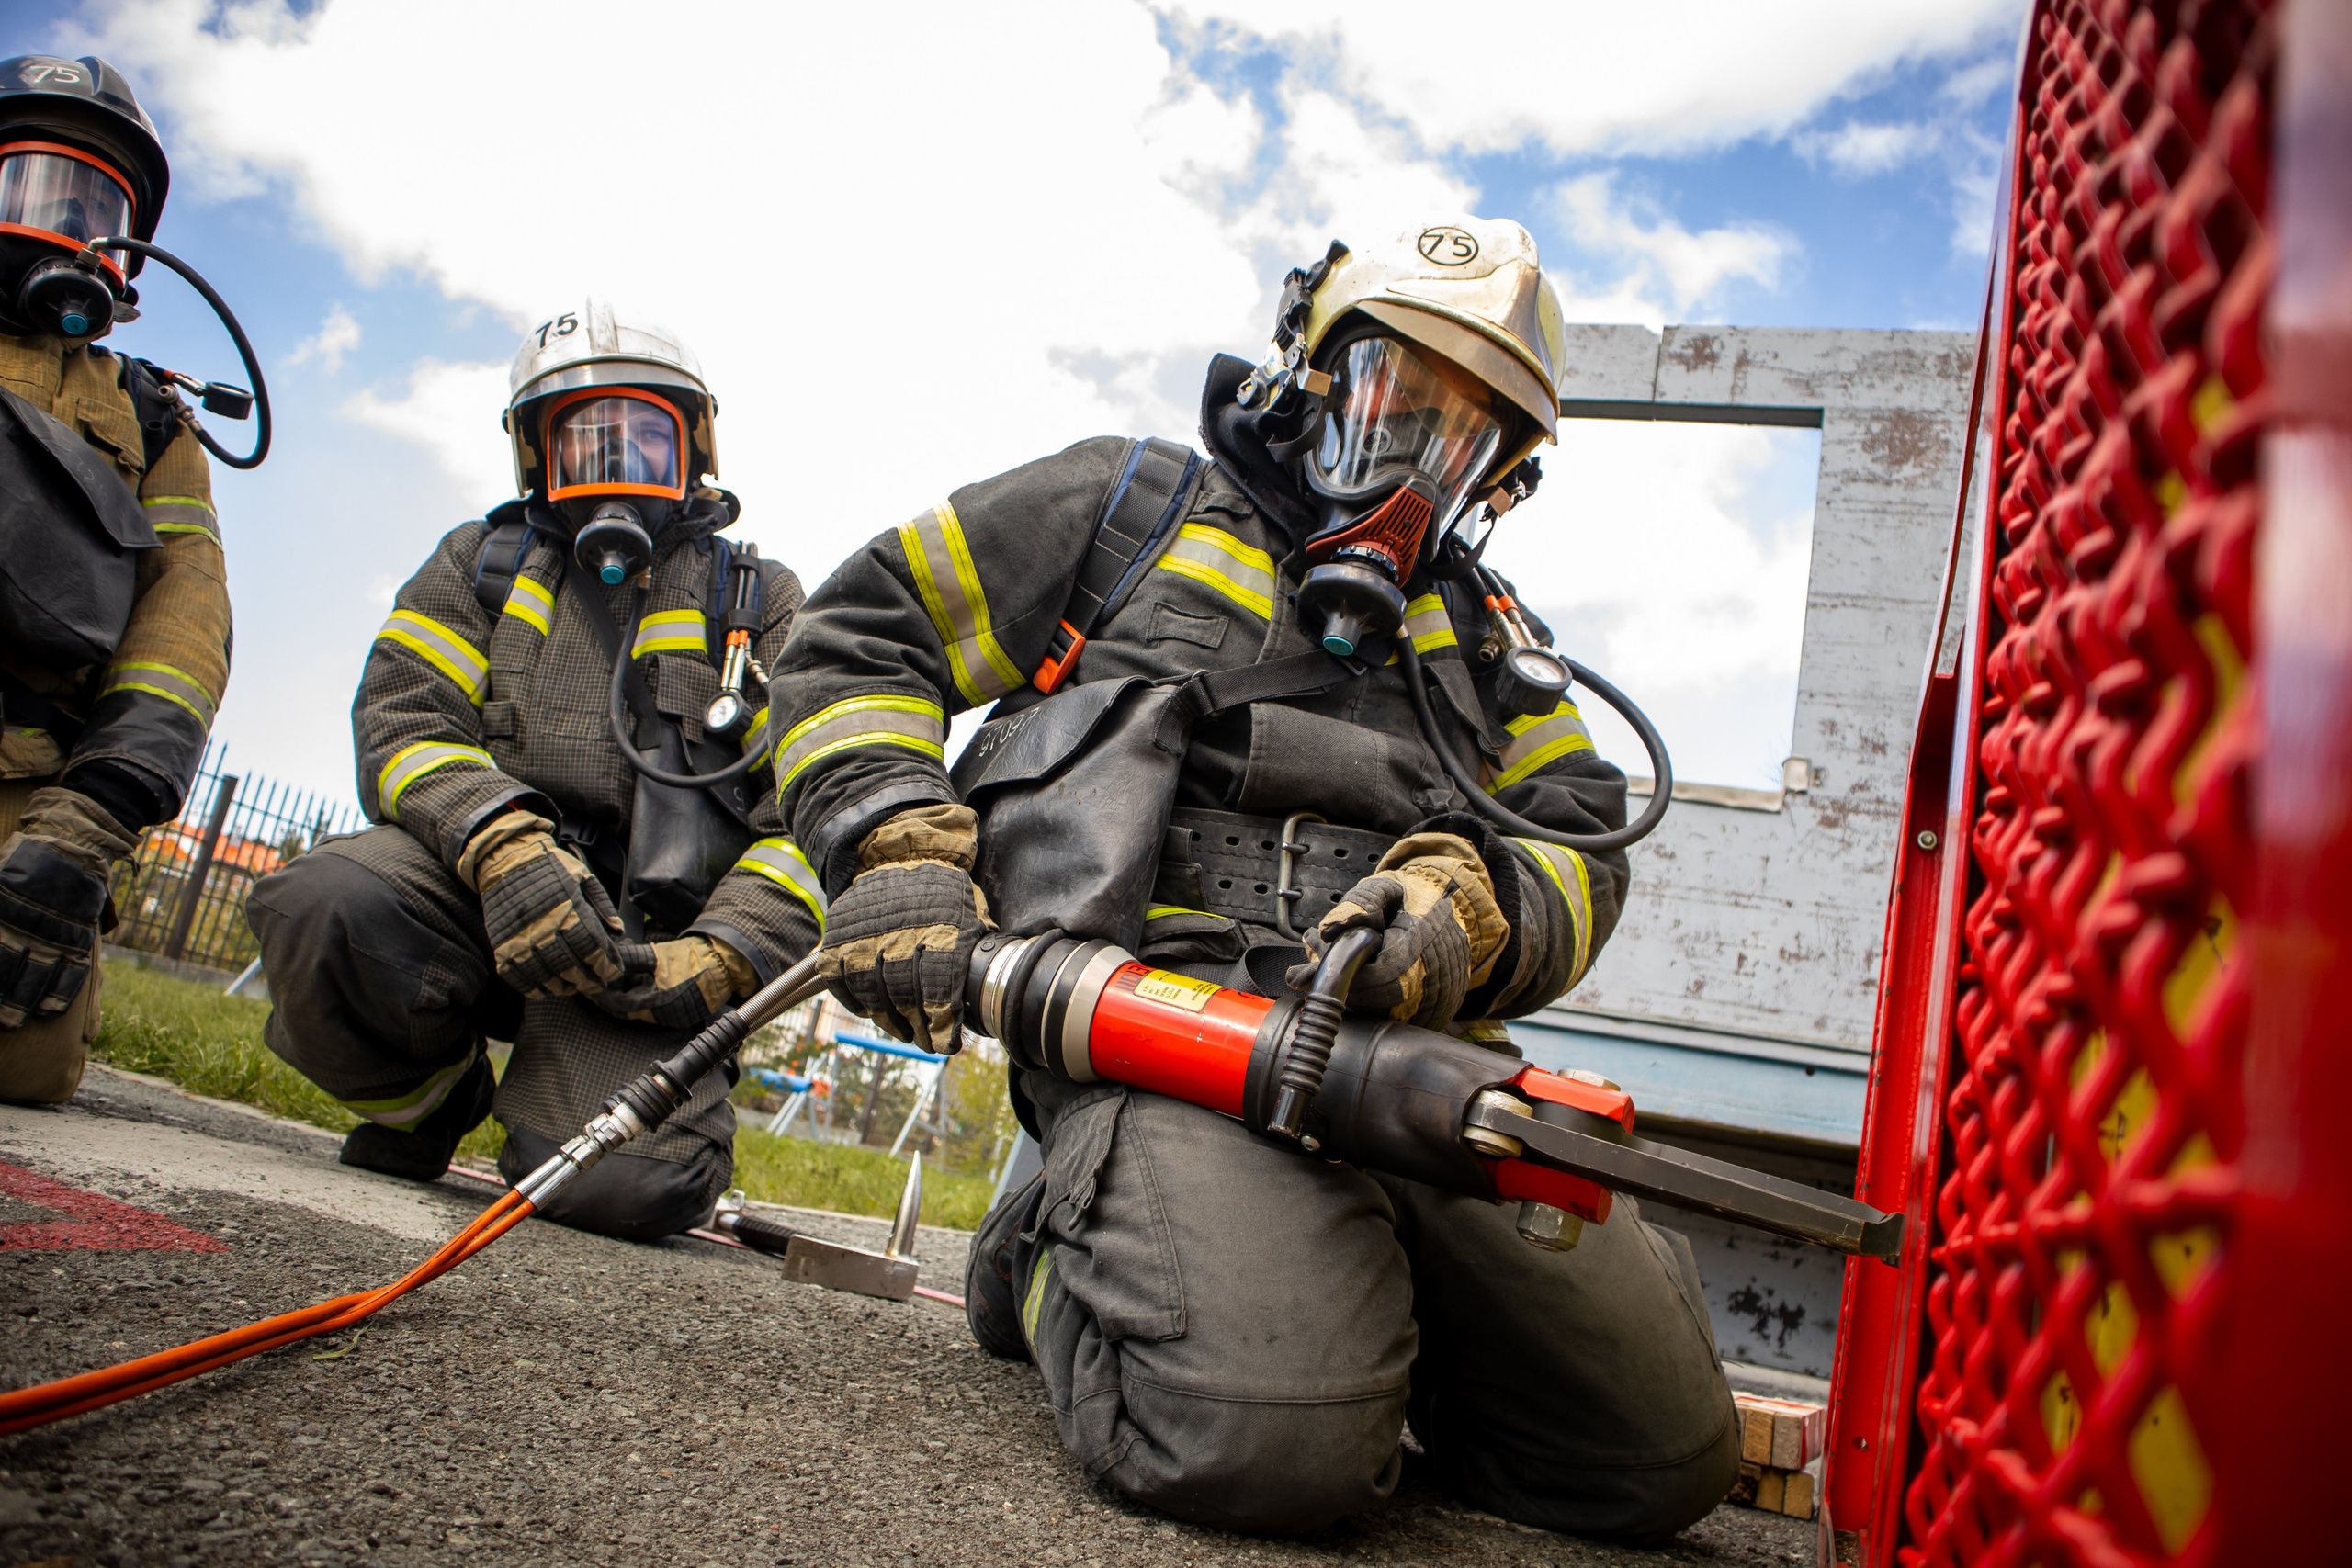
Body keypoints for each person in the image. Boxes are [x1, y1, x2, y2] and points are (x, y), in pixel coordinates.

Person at [768, 217, 1739, 1540]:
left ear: (1504, 477)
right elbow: (858, 638)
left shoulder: (1490, 648)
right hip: (1153, 1022)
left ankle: (1339, 1304)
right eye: (1397, 399)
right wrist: (893, 839)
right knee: (1263, 1445)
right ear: (1310, 372)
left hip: (1404, 1054)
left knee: (1655, 1463)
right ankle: (1049, 1250)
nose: (1418, 465)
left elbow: (1577, 840)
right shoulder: (1126, 508)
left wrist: (1467, 914)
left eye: (1467, 440)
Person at [247, 303, 821, 1239]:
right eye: (586, 441)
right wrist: (501, 843)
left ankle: (575, 1110)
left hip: (645, 956)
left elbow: (808, 810)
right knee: (324, 906)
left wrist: (724, 954)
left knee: (625, 1188)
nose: (616, 464)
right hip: (478, 894)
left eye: (644, 438)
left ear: (694, 448)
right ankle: (432, 1104)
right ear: (535, 457)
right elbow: (403, 719)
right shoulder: (478, 565)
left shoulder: (759, 604)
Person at [0, 57, 231, 1103]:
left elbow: (185, 622)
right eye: (30, 185)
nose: (64, 225)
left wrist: (91, 816)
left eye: (94, 206)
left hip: (29, 785)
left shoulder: (150, 418)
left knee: (21, 1060)